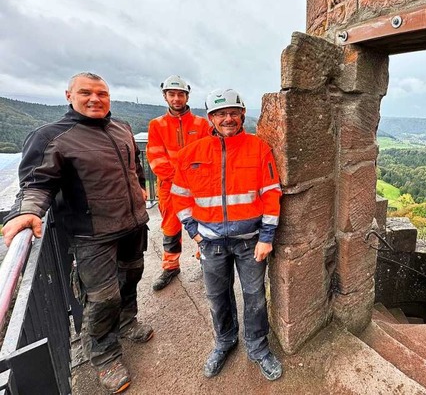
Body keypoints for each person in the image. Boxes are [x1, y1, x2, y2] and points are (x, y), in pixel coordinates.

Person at [1, 72, 153, 394]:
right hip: (91, 235)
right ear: (69, 95)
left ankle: (127, 321)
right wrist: (27, 211)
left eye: (102, 93)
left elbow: (134, 167)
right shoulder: (51, 136)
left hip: (132, 224)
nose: (95, 99)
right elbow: (36, 184)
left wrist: (139, 187)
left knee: (132, 276)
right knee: (102, 297)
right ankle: (104, 354)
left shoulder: (121, 128)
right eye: (86, 92)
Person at [171, 88, 283, 381]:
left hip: (250, 242)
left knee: (255, 297)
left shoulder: (258, 149)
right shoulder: (191, 155)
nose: (228, 118)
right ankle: (225, 342)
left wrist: (267, 237)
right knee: (217, 297)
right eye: (221, 114)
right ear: (211, 118)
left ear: (242, 115)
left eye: (233, 113)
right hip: (210, 243)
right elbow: (179, 197)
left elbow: (271, 194)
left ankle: (258, 348)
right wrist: (194, 233)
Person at [146, 75, 209, 291]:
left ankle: (205, 261)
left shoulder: (201, 124)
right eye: (172, 94)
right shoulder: (157, 125)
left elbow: (206, 154)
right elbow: (156, 158)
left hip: (197, 187)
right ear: (165, 96)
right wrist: (179, 180)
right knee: (170, 229)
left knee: (202, 224)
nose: (176, 98)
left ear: (187, 96)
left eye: (180, 94)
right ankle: (171, 266)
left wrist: (195, 179)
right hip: (169, 187)